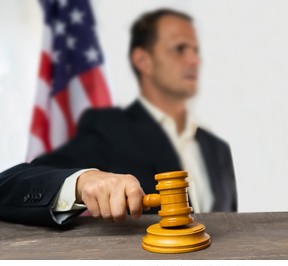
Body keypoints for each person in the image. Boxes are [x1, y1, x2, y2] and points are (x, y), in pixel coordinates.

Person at [0, 8, 237, 226]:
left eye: (196, 50)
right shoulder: (110, 129)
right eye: (180, 49)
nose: (195, 60)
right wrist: (83, 182)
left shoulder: (217, 149)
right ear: (143, 60)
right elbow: (9, 185)